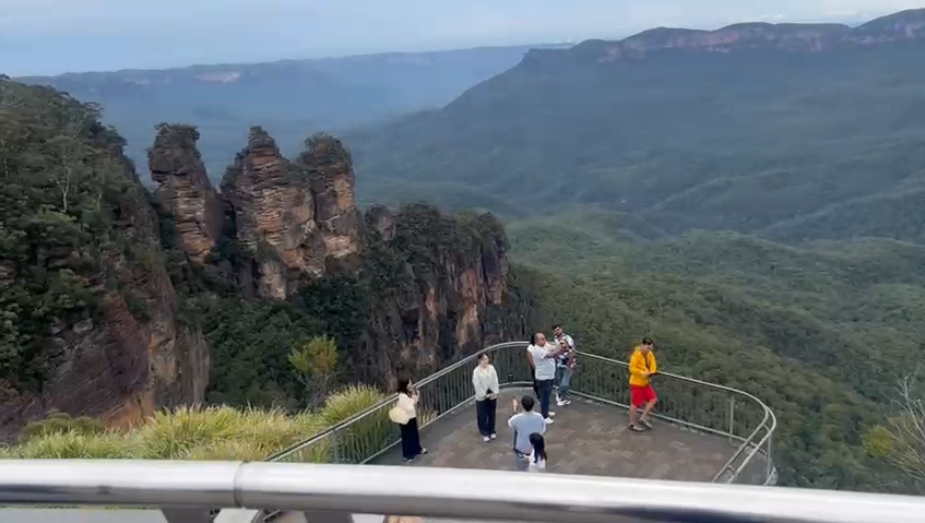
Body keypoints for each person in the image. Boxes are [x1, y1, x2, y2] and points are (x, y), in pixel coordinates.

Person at [527, 332, 567, 423]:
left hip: (549, 375)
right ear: (536, 341)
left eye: (544, 338)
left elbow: (554, 348)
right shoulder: (537, 350)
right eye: (542, 339)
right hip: (543, 377)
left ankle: (546, 411)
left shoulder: (545, 346)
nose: (544, 340)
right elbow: (552, 354)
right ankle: (544, 416)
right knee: (544, 397)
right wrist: (560, 346)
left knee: (548, 395)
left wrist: (560, 345)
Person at [508, 395, 547, 470]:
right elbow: (543, 430)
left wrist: (515, 411)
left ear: (522, 406)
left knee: (521, 469)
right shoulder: (540, 417)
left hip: (522, 450)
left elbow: (510, 423)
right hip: (536, 448)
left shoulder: (516, 418)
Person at [628, 337, 658, 432]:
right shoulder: (636, 355)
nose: (649, 350)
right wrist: (642, 373)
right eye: (647, 348)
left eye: (650, 348)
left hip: (645, 383)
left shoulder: (650, 354)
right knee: (635, 404)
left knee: (653, 399)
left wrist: (651, 372)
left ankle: (643, 417)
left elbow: (653, 365)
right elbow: (631, 369)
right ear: (642, 345)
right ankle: (631, 424)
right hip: (636, 383)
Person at [396, 376, 428, 462]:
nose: (411, 385)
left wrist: (415, 394)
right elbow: (410, 405)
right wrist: (414, 396)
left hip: (411, 417)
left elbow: (414, 402)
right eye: (409, 384)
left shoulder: (407, 394)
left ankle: (417, 449)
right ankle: (407, 455)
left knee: (414, 434)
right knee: (407, 436)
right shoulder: (402, 396)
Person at [472, 352, 500, 442]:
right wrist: (484, 394)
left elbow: (495, 380)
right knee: (482, 415)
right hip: (482, 397)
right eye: (484, 359)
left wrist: (495, 392)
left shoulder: (491, 368)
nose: (486, 361)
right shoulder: (476, 371)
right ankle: (484, 432)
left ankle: (492, 431)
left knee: (491, 413)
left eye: (487, 359)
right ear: (480, 360)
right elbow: (477, 385)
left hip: (492, 394)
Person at [552, 324, 576, 407]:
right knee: (561, 380)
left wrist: (572, 362)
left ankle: (558, 392)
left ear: (561, 329)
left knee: (565, 382)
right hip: (559, 363)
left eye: (558, 330)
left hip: (568, 362)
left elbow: (572, 350)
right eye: (555, 331)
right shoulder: (555, 339)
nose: (557, 332)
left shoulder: (568, 338)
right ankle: (564, 398)